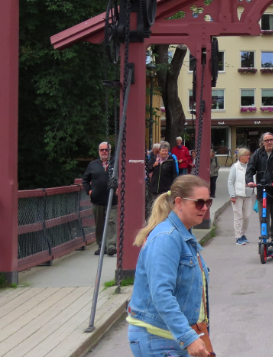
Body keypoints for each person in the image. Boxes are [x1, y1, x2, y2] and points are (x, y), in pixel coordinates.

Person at [128, 174, 213, 357]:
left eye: (208, 202)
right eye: (199, 202)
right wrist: (188, 337)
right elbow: (161, 294)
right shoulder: (167, 238)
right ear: (179, 202)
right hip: (157, 339)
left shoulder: (183, 235)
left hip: (170, 337)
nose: (205, 208)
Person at [245, 132, 273, 255]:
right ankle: (265, 236)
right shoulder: (258, 154)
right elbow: (250, 169)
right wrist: (249, 181)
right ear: (262, 142)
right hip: (262, 189)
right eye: (266, 140)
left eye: (271, 140)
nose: (269, 142)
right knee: (263, 216)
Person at [82, 141, 117, 256]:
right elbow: (85, 180)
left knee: (112, 222)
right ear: (99, 151)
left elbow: (124, 176)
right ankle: (102, 245)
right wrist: (89, 191)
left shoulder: (115, 163)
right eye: (102, 150)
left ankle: (111, 245)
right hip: (97, 199)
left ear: (110, 151)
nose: (104, 152)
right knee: (100, 223)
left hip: (113, 199)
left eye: (106, 150)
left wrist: (120, 187)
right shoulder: (93, 164)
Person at [227, 148, 253, 245]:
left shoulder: (250, 167)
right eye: (246, 155)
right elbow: (230, 182)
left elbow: (254, 178)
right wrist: (232, 195)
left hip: (248, 194)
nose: (248, 157)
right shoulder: (235, 167)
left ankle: (243, 234)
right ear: (241, 156)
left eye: (249, 155)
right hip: (237, 195)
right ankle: (238, 237)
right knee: (238, 216)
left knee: (246, 216)